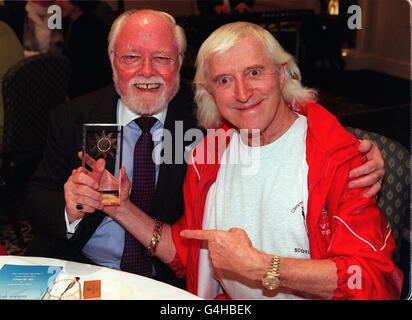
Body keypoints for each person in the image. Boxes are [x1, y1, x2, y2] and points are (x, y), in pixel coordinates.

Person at [82, 22, 400, 300]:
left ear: (281, 73)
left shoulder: (340, 160)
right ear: (210, 92)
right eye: (224, 80)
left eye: (254, 73)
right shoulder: (208, 155)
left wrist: (267, 268)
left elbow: (373, 280)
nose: (243, 93)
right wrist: (117, 206)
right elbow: (189, 250)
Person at [25, 9, 197, 289]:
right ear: (112, 61)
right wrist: (71, 209)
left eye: (162, 58)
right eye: (131, 57)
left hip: (167, 277)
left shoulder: (205, 121)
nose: (147, 71)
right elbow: (36, 197)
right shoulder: (73, 117)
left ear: (179, 62)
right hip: (84, 266)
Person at [55, 0, 112, 98]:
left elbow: (87, 72)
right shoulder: (68, 23)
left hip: (91, 94)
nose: (57, 4)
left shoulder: (91, 27)